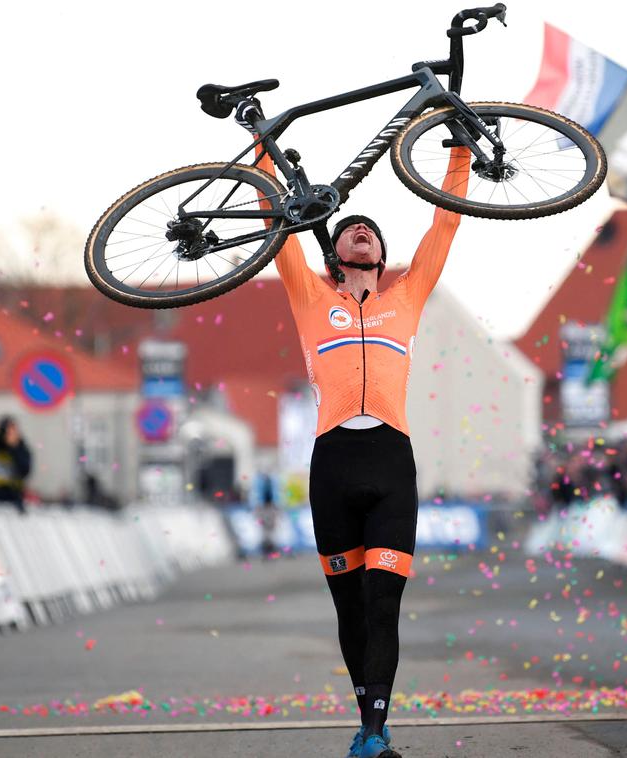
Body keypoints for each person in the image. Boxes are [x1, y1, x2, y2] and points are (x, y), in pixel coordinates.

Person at [258, 145, 469, 758]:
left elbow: (446, 221)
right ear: (336, 254)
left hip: (390, 463)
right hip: (332, 467)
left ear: (381, 257)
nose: (362, 233)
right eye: (352, 229)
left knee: (384, 602)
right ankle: (366, 722)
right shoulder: (308, 295)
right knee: (350, 610)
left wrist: (458, 147)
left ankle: (374, 735)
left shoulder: (405, 297)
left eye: (372, 233)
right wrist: (261, 155)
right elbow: (275, 222)